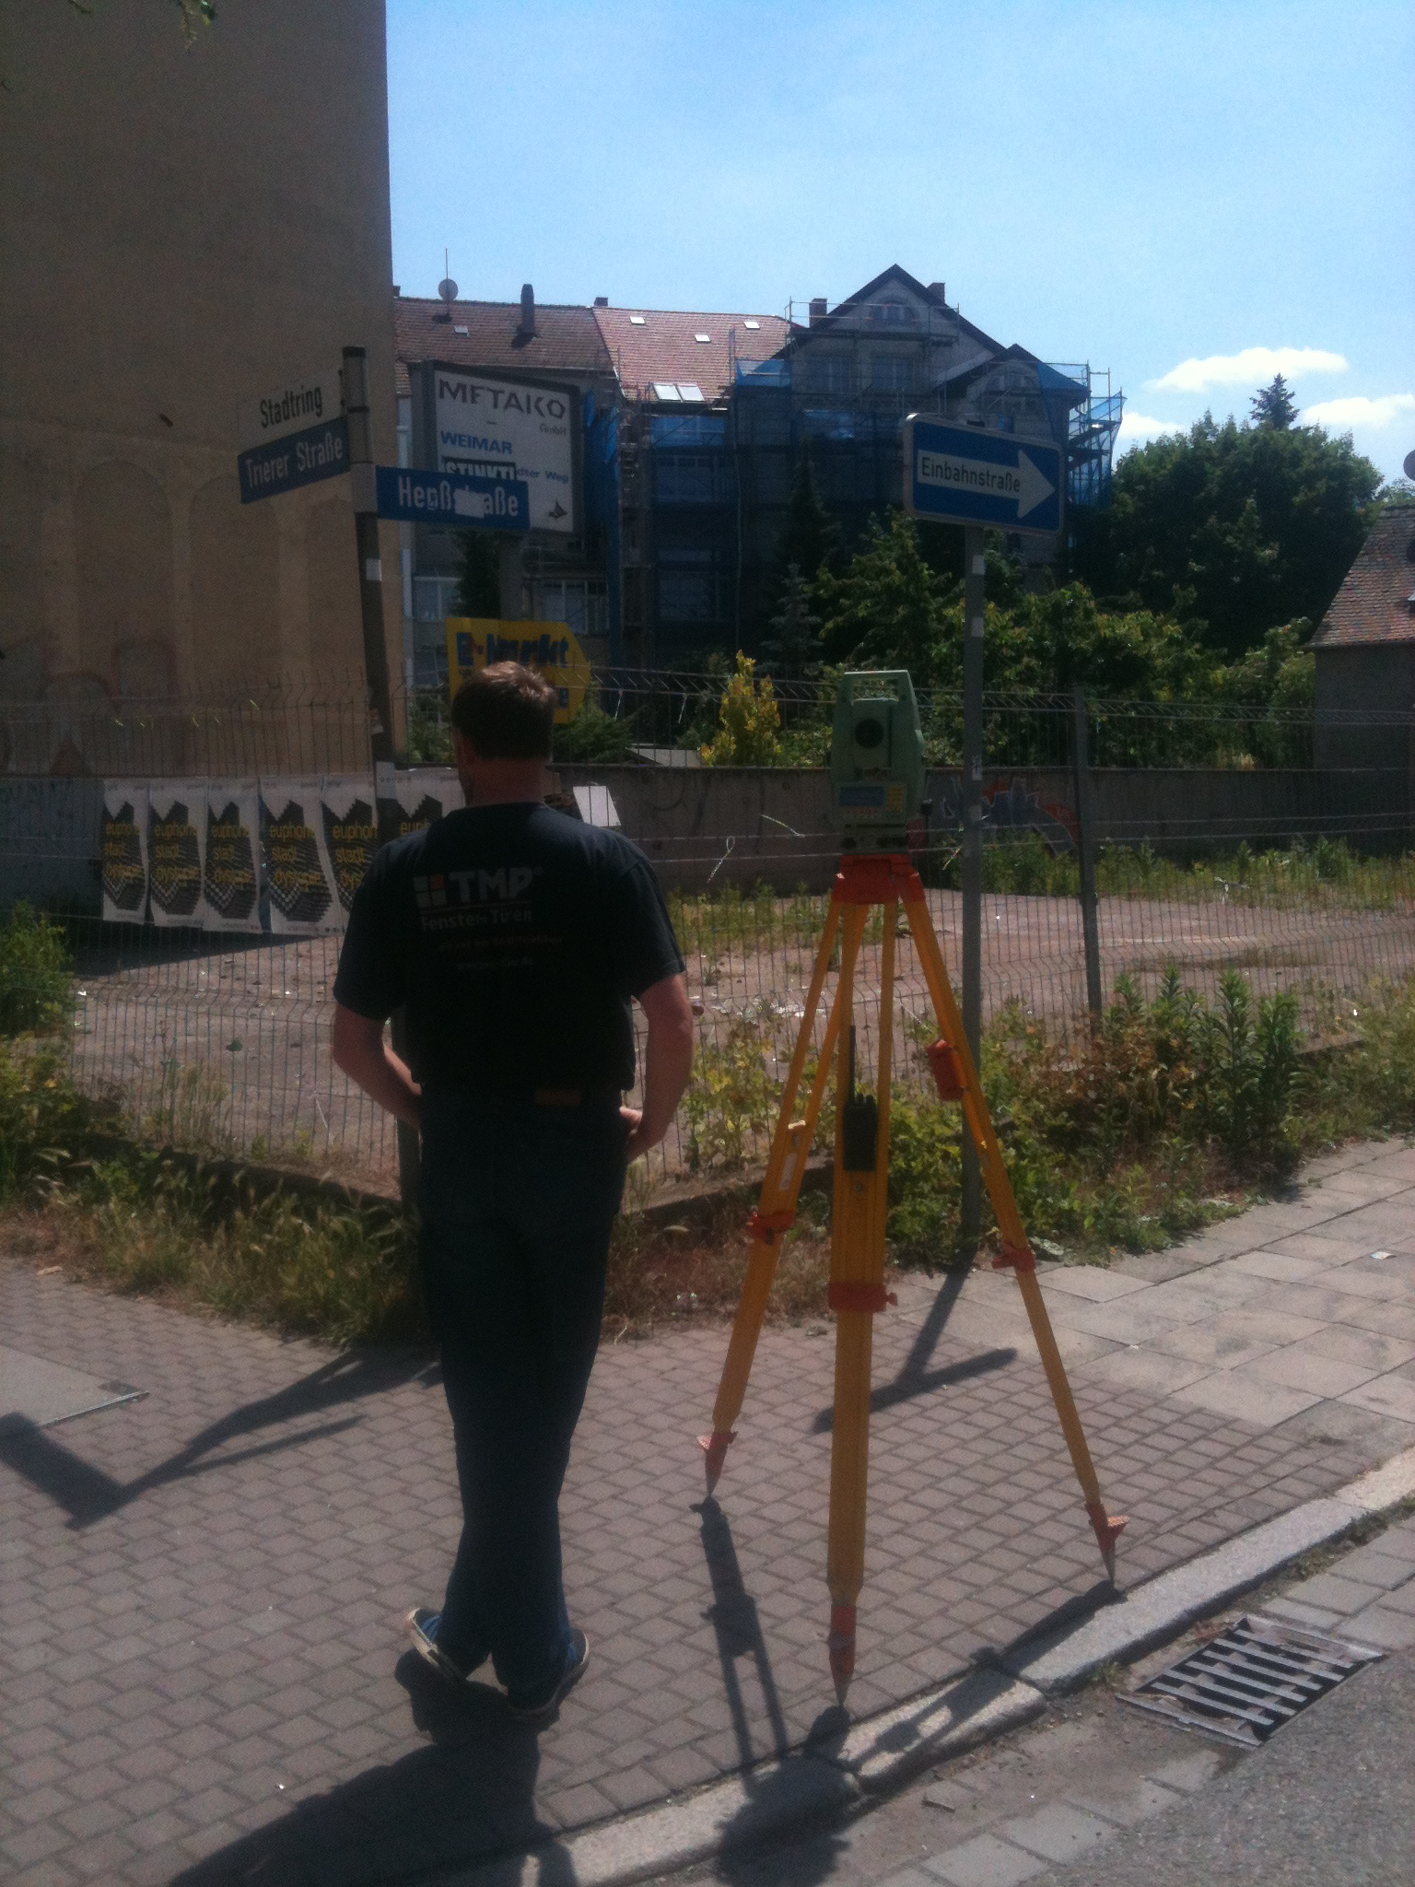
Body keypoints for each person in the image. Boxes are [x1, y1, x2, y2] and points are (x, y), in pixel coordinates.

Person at [331, 661, 693, 1722]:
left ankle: (464, 1627)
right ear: (547, 749)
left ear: (462, 749)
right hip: (574, 1144)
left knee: (494, 1404)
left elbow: (352, 1043)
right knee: (545, 1399)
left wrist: (425, 1114)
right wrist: (652, 1125)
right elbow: (672, 1020)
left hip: (460, 1144)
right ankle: (535, 1660)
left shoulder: (402, 871)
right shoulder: (603, 861)